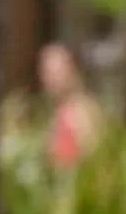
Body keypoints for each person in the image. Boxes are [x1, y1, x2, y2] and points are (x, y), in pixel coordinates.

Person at [39, 42, 102, 170]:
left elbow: (91, 158)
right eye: (46, 72)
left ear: (71, 69)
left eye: (55, 72)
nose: (50, 79)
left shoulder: (83, 111)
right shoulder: (55, 110)